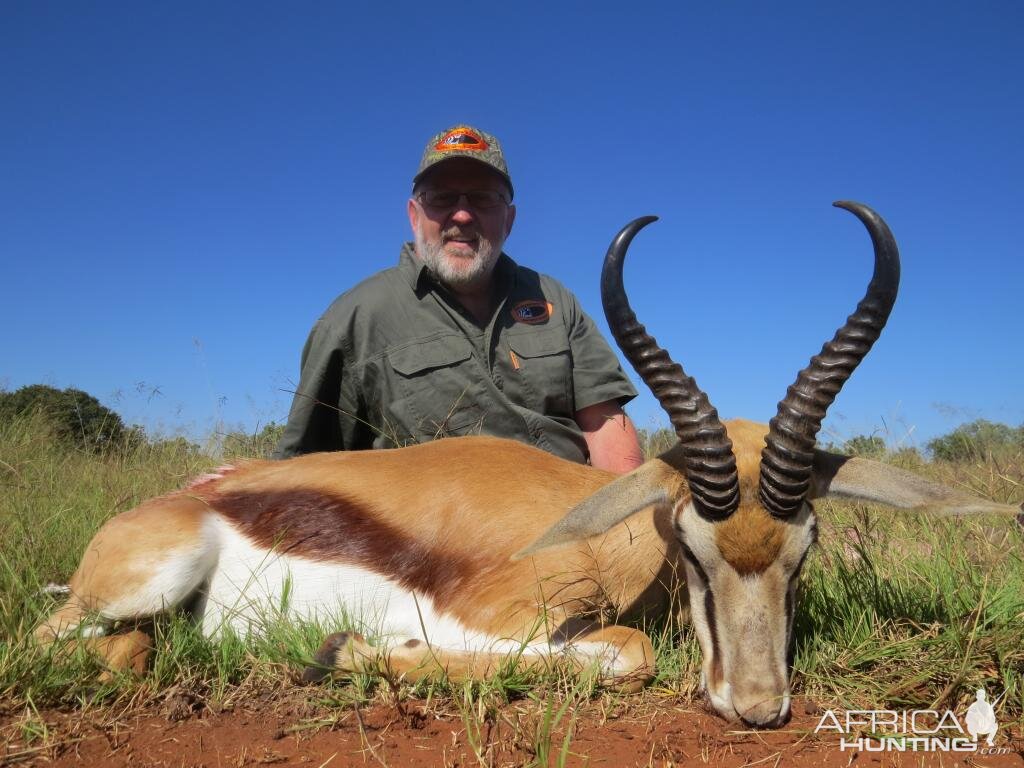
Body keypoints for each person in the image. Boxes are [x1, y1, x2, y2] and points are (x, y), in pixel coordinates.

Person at [274, 124, 643, 473]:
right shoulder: (354, 317)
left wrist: (631, 525)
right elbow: (303, 467)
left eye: (483, 198)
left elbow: (605, 424)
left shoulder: (556, 301)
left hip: (571, 524)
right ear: (414, 216)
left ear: (509, 220)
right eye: (442, 198)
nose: (463, 214)